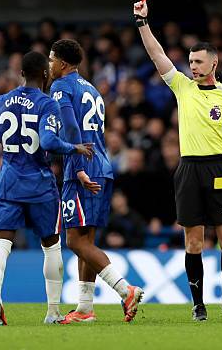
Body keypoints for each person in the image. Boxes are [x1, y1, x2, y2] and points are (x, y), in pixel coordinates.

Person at [133, 0, 222, 321]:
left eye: (199, 61)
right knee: (194, 242)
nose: (193, 66)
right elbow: (157, 55)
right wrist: (143, 23)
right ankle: (198, 304)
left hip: (219, 168)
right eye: (190, 61)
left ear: (214, 63)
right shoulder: (183, 87)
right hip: (189, 169)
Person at [0, 51, 94, 326]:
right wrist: (72, 147)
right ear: (44, 74)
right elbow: (49, 141)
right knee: (51, 246)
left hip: (8, 182)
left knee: (1, 244)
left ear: (21, 74)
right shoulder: (47, 103)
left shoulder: (2, 101)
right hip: (40, 184)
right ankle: (53, 312)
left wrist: (4, 134)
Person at [48, 39, 144, 324]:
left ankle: (125, 290)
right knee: (86, 240)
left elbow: (70, 126)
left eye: (52, 60)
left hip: (82, 169)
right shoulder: (91, 89)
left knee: (75, 241)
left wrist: (76, 167)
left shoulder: (60, 87)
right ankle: (85, 309)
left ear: (63, 64)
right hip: (102, 165)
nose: (49, 65)